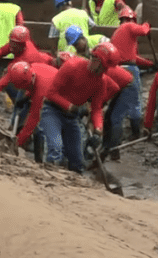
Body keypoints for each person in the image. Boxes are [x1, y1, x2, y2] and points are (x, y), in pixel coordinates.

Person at [42, 42, 127, 173]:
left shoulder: (101, 81)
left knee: (77, 161)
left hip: (71, 118)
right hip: (52, 111)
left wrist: (98, 130)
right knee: (55, 148)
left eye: (106, 68)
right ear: (95, 59)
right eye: (103, 67)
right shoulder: (71, 66)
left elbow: (96, 108)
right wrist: (70, 106)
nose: (104, 71)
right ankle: (48, 179)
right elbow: (51, 94)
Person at [104, 5, 153, 158]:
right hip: (129, 71)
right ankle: (135, 134)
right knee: (134, 103)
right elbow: (143, 31)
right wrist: (147, 25)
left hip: (117, 70)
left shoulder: (118, 33)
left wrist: (149, 64)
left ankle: (111, 146)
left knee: (116, 108)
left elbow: (132, 56)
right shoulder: (129, 26)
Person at [0, 60, 57, 150]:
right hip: (41, 85)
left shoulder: (40, 92)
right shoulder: (22, 70)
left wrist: (17, 143)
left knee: (41, 128)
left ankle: (41, 156)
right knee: (22, 106)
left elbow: (33, 120)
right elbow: (1, 83)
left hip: (62, 98)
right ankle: (17, 130)